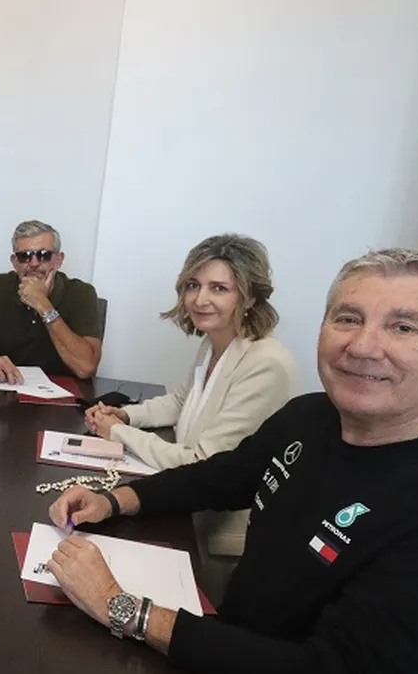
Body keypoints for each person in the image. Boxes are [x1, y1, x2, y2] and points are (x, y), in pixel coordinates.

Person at [47, 247, 418, 672]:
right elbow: (223, 476)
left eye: (404, 328)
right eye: (348, 319)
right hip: (228, 641)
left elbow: (329, 667)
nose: (363, 346)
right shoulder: (310, 415)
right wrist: (114, 500)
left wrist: (120, 606)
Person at [85, 234, 298, 592]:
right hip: (185, 507)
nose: (200, 299)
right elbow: (182, 401)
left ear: (249, 296)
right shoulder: (215, 343)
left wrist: (118, 433)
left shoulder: (266, 364)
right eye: (193, 285)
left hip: (219, 542)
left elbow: (203, 462)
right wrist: (125, 416)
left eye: (219, 288)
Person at [0, 219, 103, 383]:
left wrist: (43, 306)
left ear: (58, 260)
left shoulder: (81, 293)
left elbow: (86, 368)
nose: (33, 263)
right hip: (6, 387)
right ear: (14, 262)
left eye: (44, 255)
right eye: (24, 256)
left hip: (64, 392)